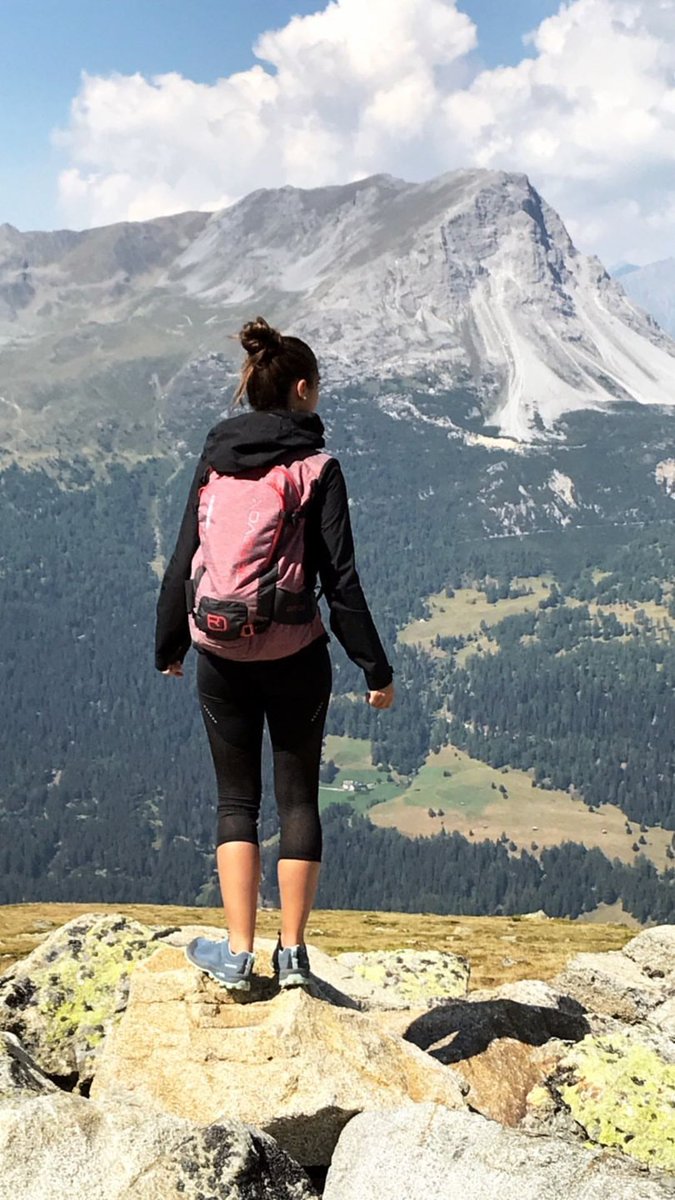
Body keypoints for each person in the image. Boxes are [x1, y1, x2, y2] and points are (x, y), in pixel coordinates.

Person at [155, 316, 394, 991]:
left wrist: (171, 642)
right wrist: (375, 669)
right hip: (296, 656)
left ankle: (236, 953)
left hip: (219, 653)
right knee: (297, 800)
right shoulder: (318, 468)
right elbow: (341, 582)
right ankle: (292, 955)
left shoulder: (215, 458)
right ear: (302, 390)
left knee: (235, 801)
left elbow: (184, 557)